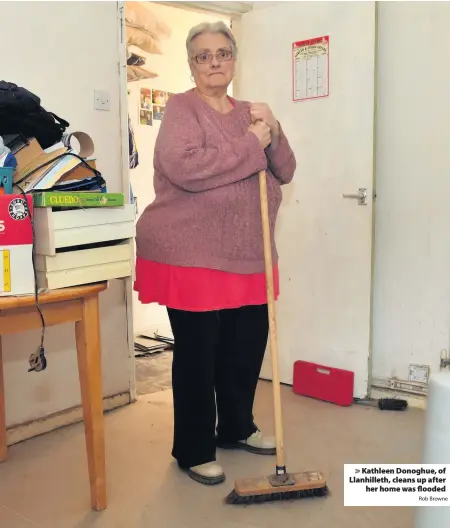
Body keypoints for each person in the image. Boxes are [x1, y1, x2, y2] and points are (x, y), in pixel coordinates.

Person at [134, 21, 296, 486]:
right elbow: (184, 168)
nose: (213, 63)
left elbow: (284, 170)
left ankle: (237, 428)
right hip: (190, 251)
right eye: (203, 56)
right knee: (199, 350)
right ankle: (194, 448)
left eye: (222, 53)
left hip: (248, 250)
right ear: (191, 64)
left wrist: (276, 131)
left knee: (246, 344)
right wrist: (252, 144)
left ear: (234, 59)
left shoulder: (253, 112)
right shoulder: (182, 108)